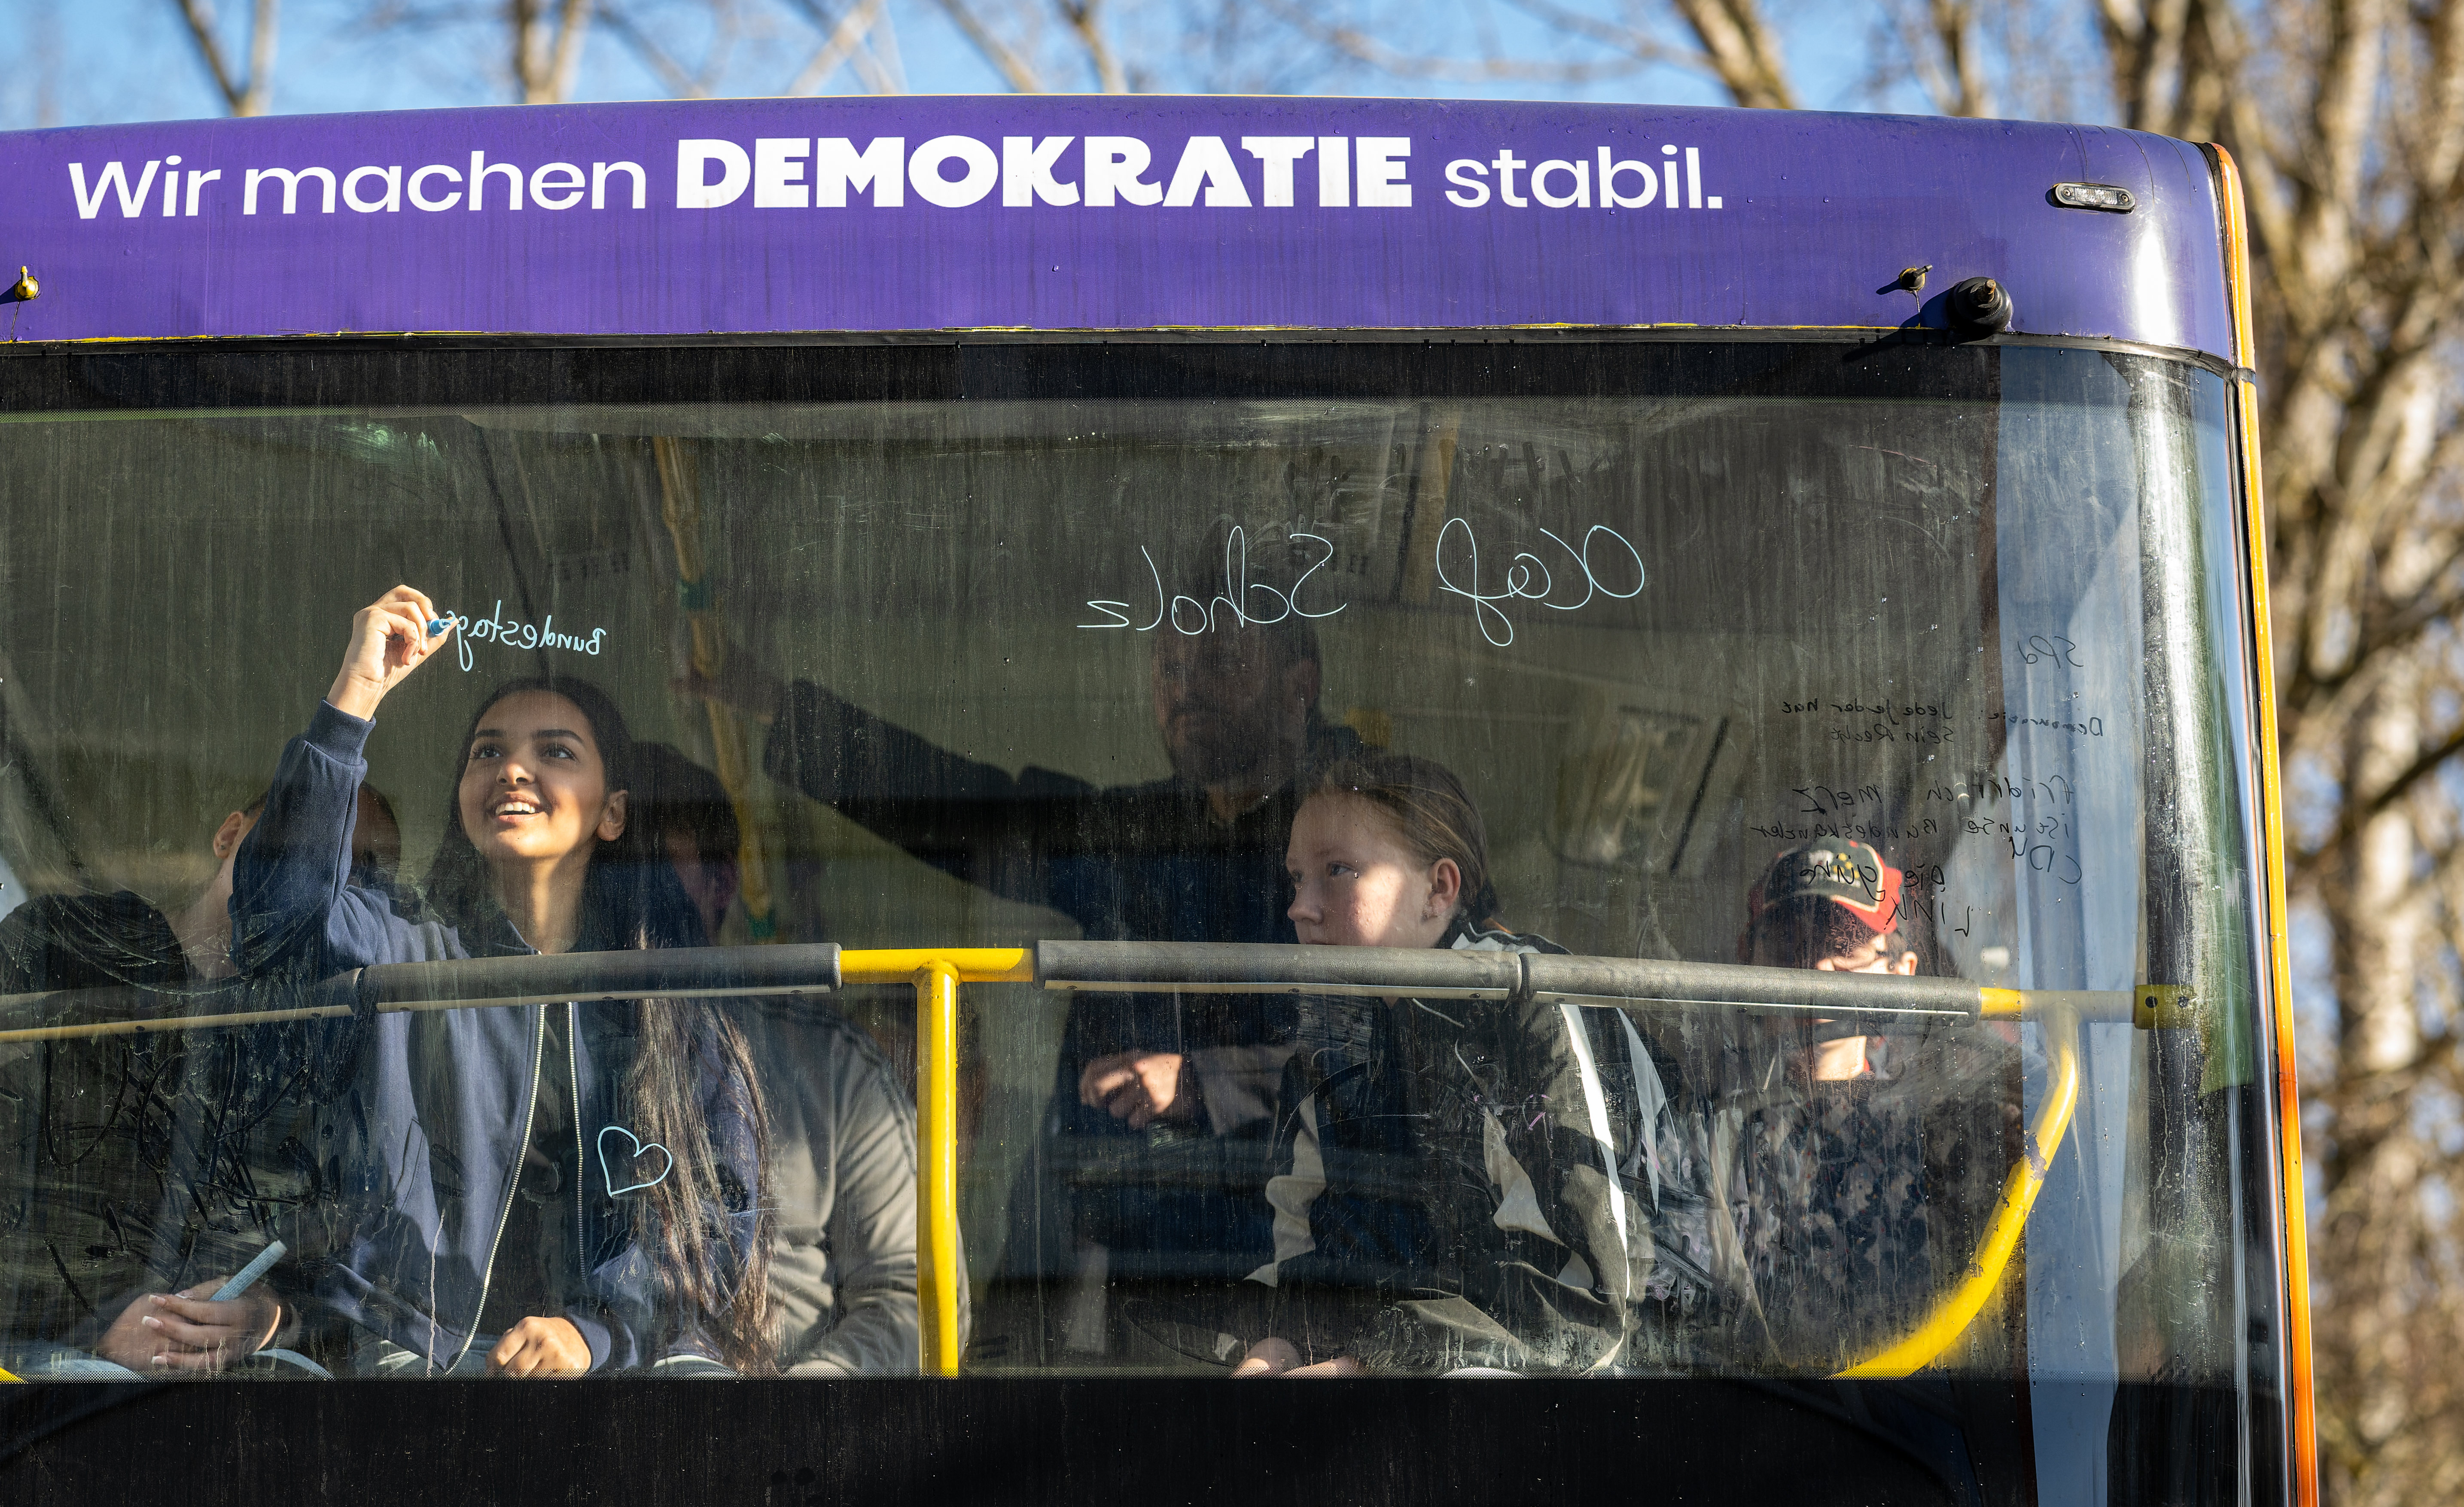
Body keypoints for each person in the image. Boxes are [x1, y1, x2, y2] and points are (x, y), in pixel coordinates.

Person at [681, 539, 1346, 1359]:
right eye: (1168, 667)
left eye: (1218, 659)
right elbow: (974, 813)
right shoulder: (1134, 830)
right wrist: (784, 712)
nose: (1185, 688)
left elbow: (1385, 1050)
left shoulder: (1358, 825)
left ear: (1299, 687)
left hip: (1284, 1251)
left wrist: (1209, 1080)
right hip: (1096, 1229)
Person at [229, 585, 774, 1376]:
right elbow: (274, 913)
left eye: (555, 752)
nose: (512, 769)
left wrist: (597, 1333)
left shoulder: (666, 1005)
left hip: (616, 1378)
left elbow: (716, 1218)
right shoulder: (400, 949)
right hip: (401, 1366)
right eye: (487, 752)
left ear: (612, 813)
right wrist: (356, 694)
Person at [1232, 748, 1668, 1377]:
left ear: (1439, 889)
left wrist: (1370, 1364)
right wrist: (1279, 1344)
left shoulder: (1527, 1007)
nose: (1301, 906)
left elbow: (1589, 1304)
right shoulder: (1330, 1040)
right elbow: (1311, 1252)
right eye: (1297, 877)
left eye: (1337, 870)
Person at [0, 795, 333, 1379]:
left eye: (358, 873)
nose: (325, 875)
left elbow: (335, 1244)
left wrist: (271, 1313)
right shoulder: (63, 946)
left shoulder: (302, 1053)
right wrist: (96, 1322)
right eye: (308, 838)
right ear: (229, 835)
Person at [627, 742, 943, 1376]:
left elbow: (913, 1297)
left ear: (723, 884)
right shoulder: (531, 1053)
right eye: (610, 863)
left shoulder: (830, 1066)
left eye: (652, 862)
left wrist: (789, 1414)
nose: (633, 889)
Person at [1678, 838, 2024, 1371]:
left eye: (1845, 943)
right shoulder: (1699, 1126)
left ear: (1901, 973)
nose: (1816, 968)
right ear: (1747, 960)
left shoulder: (1948, 1128)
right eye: (1789, 943)